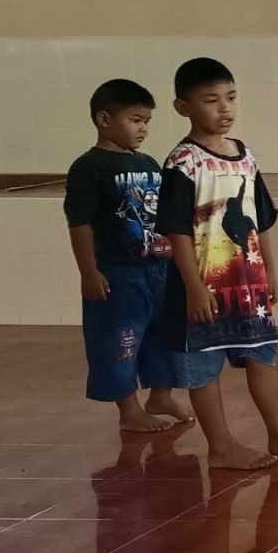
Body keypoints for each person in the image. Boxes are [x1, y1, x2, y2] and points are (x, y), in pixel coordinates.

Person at [155, 58, 278, 470]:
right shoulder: (183, 162)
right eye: (211, 100)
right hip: (204, 286)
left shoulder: (245, 157)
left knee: (261, 355)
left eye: (231, 98)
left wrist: (268, 271)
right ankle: (220, 447)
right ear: (183, 107)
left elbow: (259, 220)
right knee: (204, 365)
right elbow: (177, 231)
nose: (225, 108)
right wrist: (194, 287)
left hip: (248, 283)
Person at [65, 78, 190, 433]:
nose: (144, 129)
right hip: (119, 275)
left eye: (147, 121)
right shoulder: (88, 167)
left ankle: (161, 395)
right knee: (121, 340)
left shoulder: (149, 163)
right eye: (135, 120)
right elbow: (80, 223)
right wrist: (89, 272)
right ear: (104, 119)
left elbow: (162, 215)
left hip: (158, 271)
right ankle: (129, 410)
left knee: (162, 336)